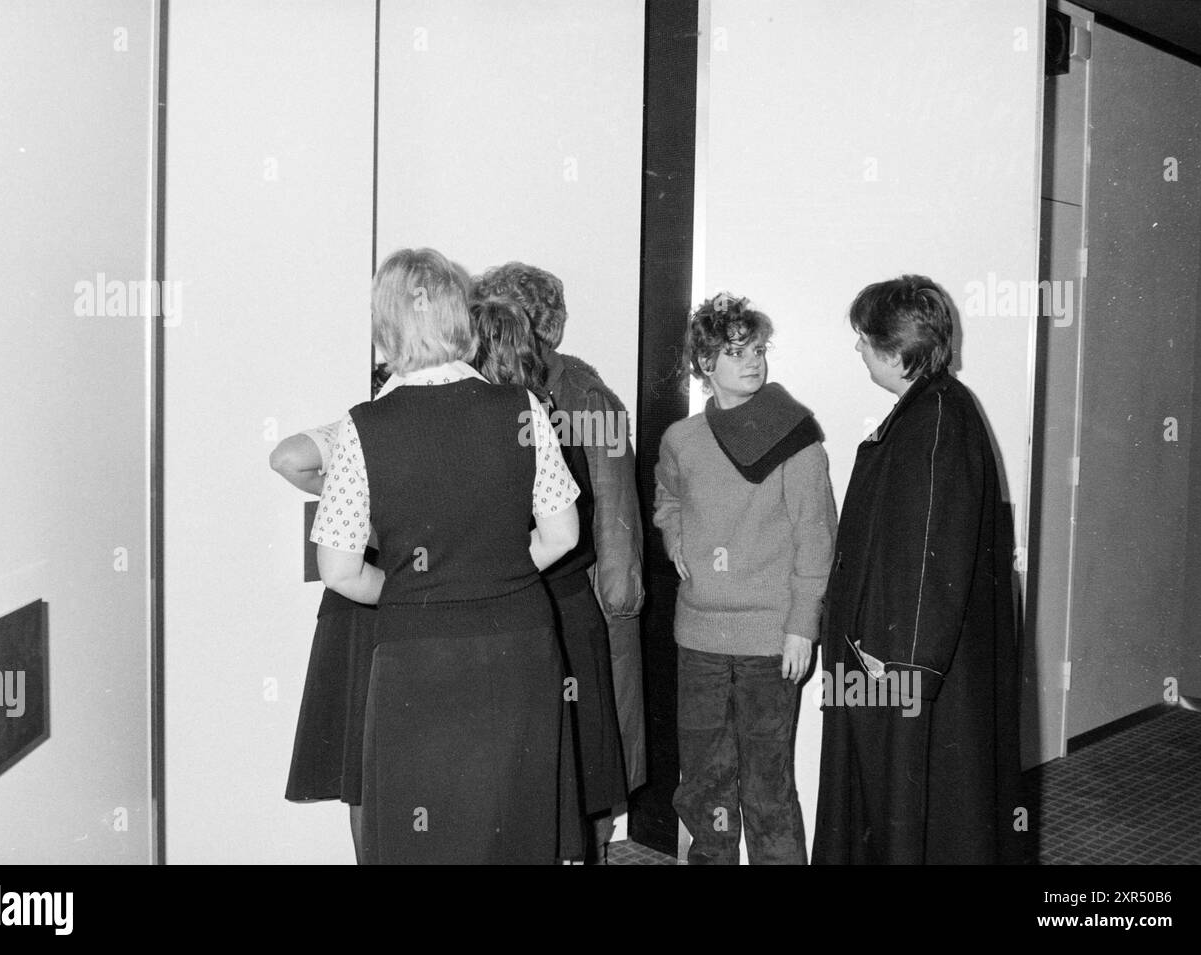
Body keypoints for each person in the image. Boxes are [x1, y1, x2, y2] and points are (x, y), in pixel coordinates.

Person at [310, 248, 581, 864]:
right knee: (515, 823)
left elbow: (339, 570)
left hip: (416, 655)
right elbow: (563, 536)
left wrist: (416, 590)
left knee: (420, 834)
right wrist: (498, 575)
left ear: (386, 327)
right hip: (519, 645)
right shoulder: (523, 409)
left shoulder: (361, 428)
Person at [813, 274, 1022, 865]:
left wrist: (901, 675)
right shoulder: (930, 410)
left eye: (864, 338)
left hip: (899, 673)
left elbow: (934, 557)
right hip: (885, 664)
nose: (858, 349)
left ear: (897, 350)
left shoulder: (933, 419)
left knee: (908, 823)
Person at [653, 293, 836, 865]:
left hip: (769, 642)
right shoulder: (682, 439)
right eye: (736, 351)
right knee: (705, 786)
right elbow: (667, 499)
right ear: (706, 364)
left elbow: (818, 535)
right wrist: (675, 536)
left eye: (758, 349)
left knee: (767, 788)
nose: (753, 361)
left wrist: (802, 626)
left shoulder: (795, 436)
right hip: (699, 639)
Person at [474, 262, 646, 858]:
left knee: (586, 750)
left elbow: (614, 510)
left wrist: (617, 604)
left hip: (578, 598)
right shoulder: (506, 388)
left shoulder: (583, 396)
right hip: (552, 597)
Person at [270, 364, 392, 863]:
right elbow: (287, 457)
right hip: (375, 602)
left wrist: (353, 496)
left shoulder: (370, 427)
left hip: (365, 601)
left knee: (367, 766)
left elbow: (289, 459)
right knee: (370, 767)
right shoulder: (377, 425)